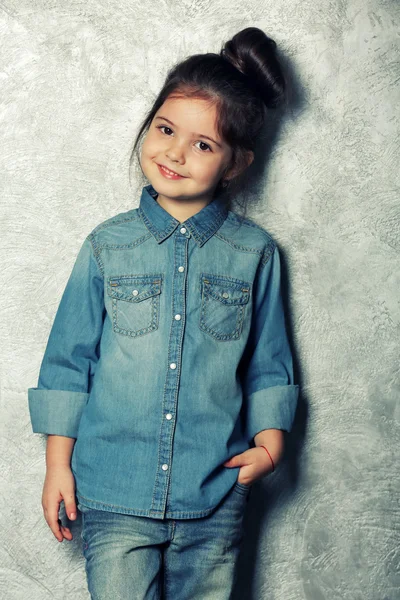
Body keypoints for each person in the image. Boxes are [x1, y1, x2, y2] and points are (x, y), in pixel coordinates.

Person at [28, 26, 300, 600]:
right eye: (166, 129)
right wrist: (58, 467)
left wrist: (270, 446)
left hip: (214, 494)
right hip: (111, 491)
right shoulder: (107, 246)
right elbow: (66, 364)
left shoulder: (255, 255)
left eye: (203, 144)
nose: (175, 152)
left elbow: (269, 365)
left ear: (235, 163)